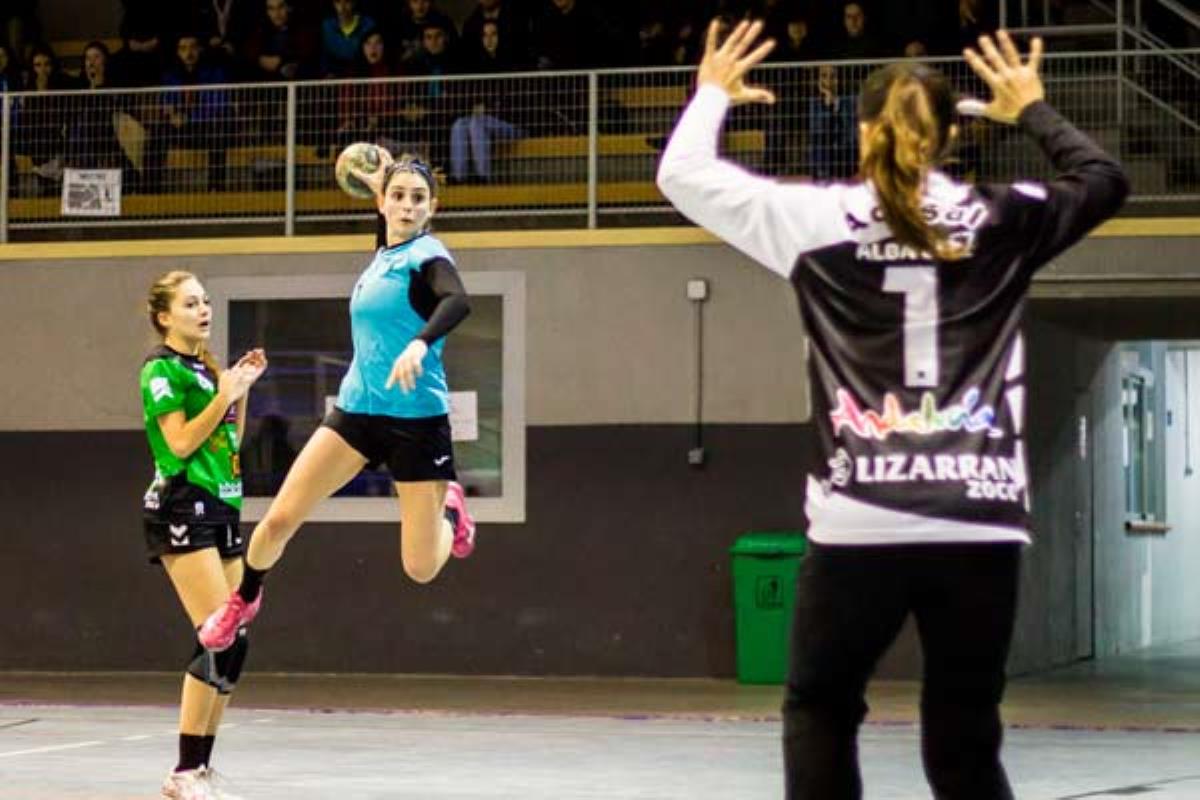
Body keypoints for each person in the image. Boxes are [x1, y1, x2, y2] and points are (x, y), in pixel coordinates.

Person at [657, 20, 1128, 800]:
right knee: (966, 739)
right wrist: (1033, 108)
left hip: (859, 519)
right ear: (949, 137)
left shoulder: (810, 222)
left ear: (864, 128)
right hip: (980, 519)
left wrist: (712, 91)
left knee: (821, 710)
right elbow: (1105, 179)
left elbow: (682, 174)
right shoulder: (1003, 219)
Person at [198, 152, 477, 652]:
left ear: (432, 207)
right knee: (279, 519)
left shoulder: (429, 257)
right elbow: (388, 225)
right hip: (355, 413)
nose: (406, 207)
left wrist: (419, 342)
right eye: (397, 197)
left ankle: (452, 512)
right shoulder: (383, 255)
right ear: (383, 204)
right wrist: (379, 184)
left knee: (419, 568)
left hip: (416, 420)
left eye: (417, 199)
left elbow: (456, 301)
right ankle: (243, 600)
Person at [141, 270, 268, 799]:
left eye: (207, 301)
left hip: (221, 505)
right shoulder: (160, 370)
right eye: (191, 303)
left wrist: (239, 392)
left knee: (235, 643)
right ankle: (182, 772)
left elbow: (226, 437)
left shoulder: (205, 367)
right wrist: (224, 395)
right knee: (215, 636)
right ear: (165, 317)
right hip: (181, 505)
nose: (203, 310)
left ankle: (200, 767)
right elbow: (180, 445)